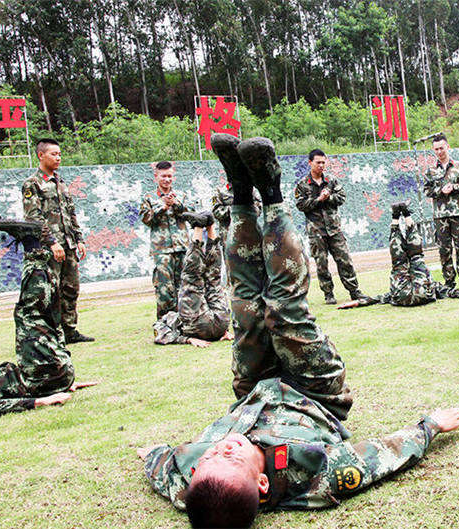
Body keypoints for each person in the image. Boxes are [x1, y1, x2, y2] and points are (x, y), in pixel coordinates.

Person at [138, 378, 459, 528]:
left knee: (247, 301)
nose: (221, 449)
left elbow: (161, 464)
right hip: (311, 391)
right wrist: (431, 426)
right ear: (263, 484)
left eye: (210, 458)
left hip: (253, 389)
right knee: (288, 307)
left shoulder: (193, 487)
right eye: (232, 457)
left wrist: (151, 453)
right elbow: (383, 455)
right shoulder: (317, 475)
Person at [209, 133, 353, 419]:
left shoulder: (226, 446)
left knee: (246, 310)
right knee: (286, 310)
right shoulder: (307, 457)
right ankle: (270, 188)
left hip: (256, 399)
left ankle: (240, 188)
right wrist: (429, 427)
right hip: (318, 397)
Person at [0, 220, 96, 422]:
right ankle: (32, 244)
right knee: (30, 312)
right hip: (41, 377)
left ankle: (37, 251)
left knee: (46, 312)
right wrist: (38, 402)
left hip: (44, 373)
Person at [339, 202, 459, 309]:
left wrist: (356, 303)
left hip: (405, 295)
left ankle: (399, 216)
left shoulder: (404, 291)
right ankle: (404, 215)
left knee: (410, 257)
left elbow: (376, 299)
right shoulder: (435, 287)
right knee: (409, 257)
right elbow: (450, 292)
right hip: (417, 293)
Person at [22, 138, 94, 343]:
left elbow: (71, 214)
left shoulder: (60, 183)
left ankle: (69, 331)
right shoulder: (32, 184)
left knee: (71, 289)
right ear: (41, 155)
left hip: (69, 245)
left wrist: (79, 239)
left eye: (60, 154)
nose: (58, 158)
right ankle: (53, 334)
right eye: (54, 154)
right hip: (50, 248)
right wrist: (52, 242)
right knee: (51, 291)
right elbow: (33, 217)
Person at [293, 149, 365, 305]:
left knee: (345, 260)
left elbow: (341, 197)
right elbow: (301, 205)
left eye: (323, 162)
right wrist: (319, 199)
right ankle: (328, 294)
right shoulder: (302, 185)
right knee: (322, 264)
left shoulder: (331, 180)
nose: (321, 165)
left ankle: (354, 290)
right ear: (310, 163)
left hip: (334, 228)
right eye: (318, 162)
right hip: (316, 231)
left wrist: (329, 197)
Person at [153, 212, 234, 347]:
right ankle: (207, 226)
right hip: (216, 325)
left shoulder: (168, 319)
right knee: (196, 278)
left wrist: (186, 339)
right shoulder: (175, 317)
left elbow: (159, 330)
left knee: (212, 277)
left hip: (217, 323)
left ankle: (205, 226)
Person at [422, 134, 459, 290]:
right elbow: (427, 190)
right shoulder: (431, 171)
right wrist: (440, 190)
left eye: (441, 148)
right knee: (444, 250)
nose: (439, 152)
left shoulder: (458, 166)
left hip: (458, 213)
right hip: (440, 216)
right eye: (436, 149)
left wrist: (454, 187)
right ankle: (449, 281)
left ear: (447, 147)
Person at [141, 161, 191, 319]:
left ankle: (186, 320)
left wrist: (176, 204)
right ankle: (166, 323)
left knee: (185, 285)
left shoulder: (181, 196)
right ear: (156, 177)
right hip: (162, 250)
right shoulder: (148, 198)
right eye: (163, 176)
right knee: (164, 288)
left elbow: (191, 215)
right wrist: (162, 206)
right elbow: (146, 219)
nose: (167, 179)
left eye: (170, 176)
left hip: (182, 247)